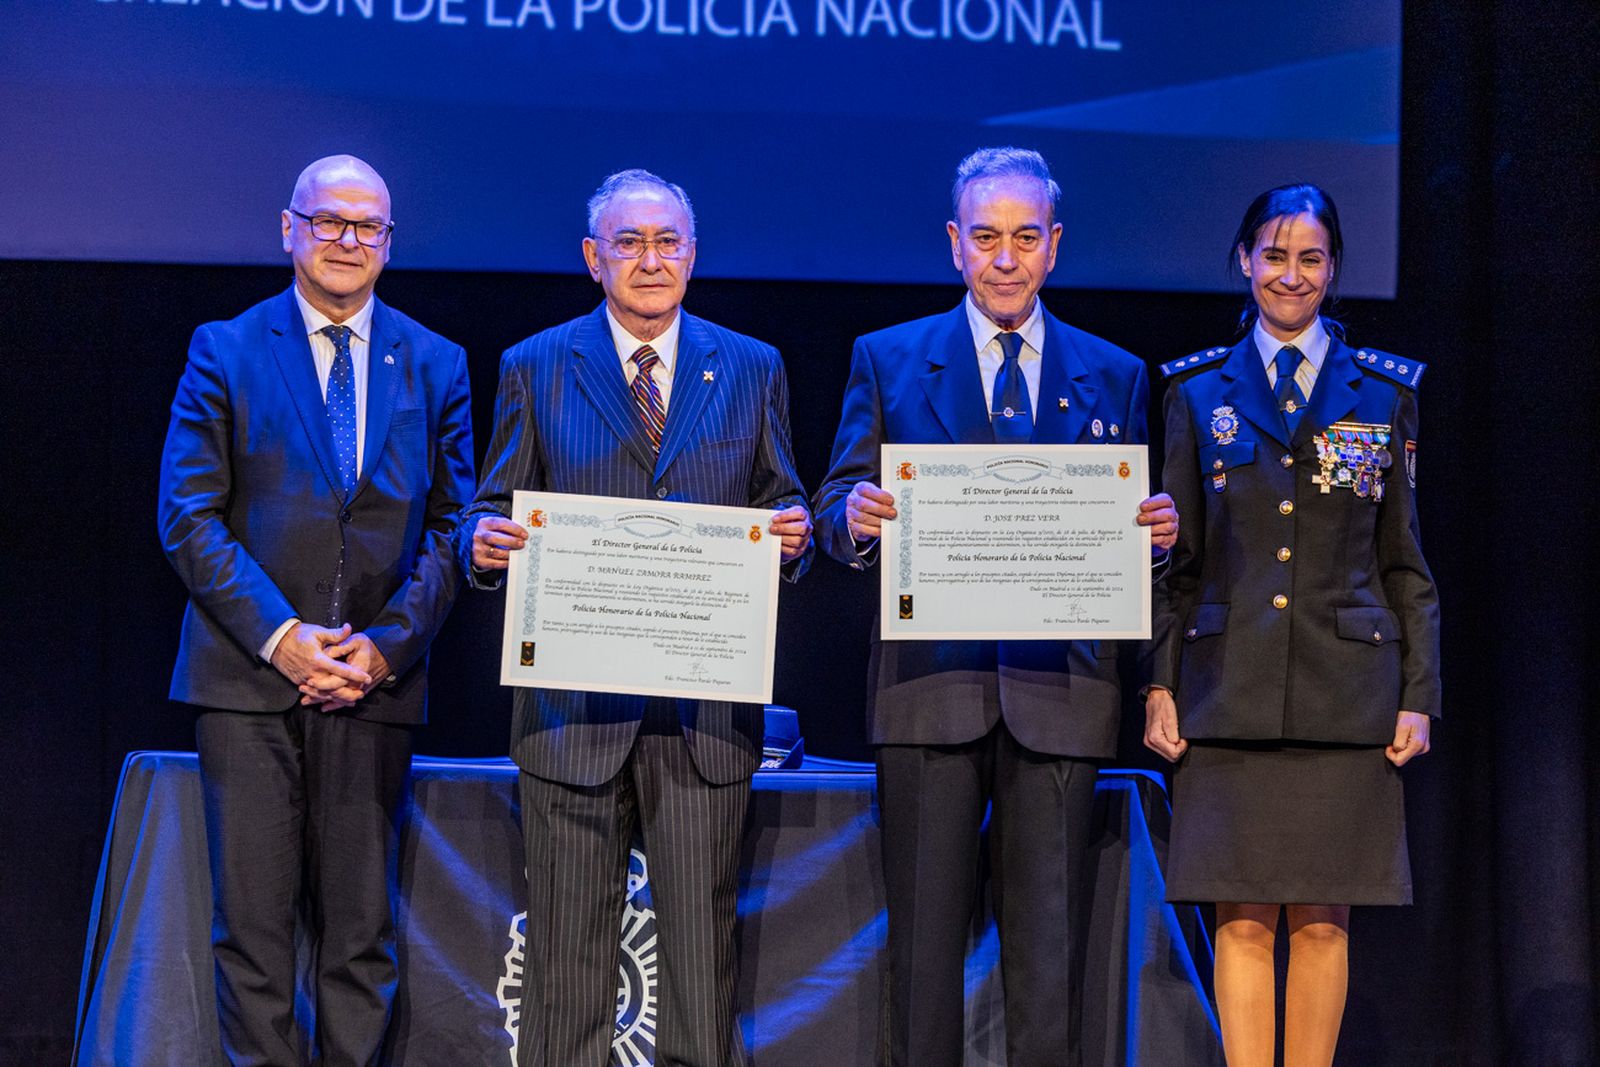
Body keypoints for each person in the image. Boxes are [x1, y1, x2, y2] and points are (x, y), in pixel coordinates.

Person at [812, 146, 1178, 1067]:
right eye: (985, 238)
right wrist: (853, 519)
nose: (1004, 258)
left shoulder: (1119, 374)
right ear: (954, 244)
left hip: (1061, 697)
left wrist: (1154, 533)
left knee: (1051, 963)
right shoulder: (888, 358)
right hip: (930, 691)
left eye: (1024, 238)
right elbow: (833, 505)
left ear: (1054, 246)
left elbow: (1134, 534)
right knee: (922, 960)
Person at [459, 169, 812, 1067]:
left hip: (704, 722)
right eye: (629, 242)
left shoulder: (751, 365)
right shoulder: (536, 365)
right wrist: (482, 541)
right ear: (593, 258)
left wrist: (795, 535)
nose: (649, 260)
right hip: (572, 717)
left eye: (667, 242)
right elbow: (485, 505)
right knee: (568, 973)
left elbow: (784, 502)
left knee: (702, 969)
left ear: (692, 255)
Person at [157, 154, 476, 1065]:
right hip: (248, 682)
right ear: (287, 228)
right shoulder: (223, 346)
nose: (347, 241)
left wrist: (381, 650)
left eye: (366, 226)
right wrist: (285, 638)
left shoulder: (437, 362)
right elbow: (187, 515)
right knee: (252, 939)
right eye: (328, 222)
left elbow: (455, 527)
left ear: (389, 244)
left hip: (373, 689)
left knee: (360, 938)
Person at [1142, 183, 1440, 1067]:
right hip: (1225, 687)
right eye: (1273, 255)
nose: (1291, 275)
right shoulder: (1196, 393)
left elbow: (1405, 560)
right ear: (1244, 260)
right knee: (1239, 916)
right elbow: (1175, 562)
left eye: (1310, 258)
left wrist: (1420, 691)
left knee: (1320, 919)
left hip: (1346, 693)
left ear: (1334, 268)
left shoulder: (1383, 394)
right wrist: (1160, 681)